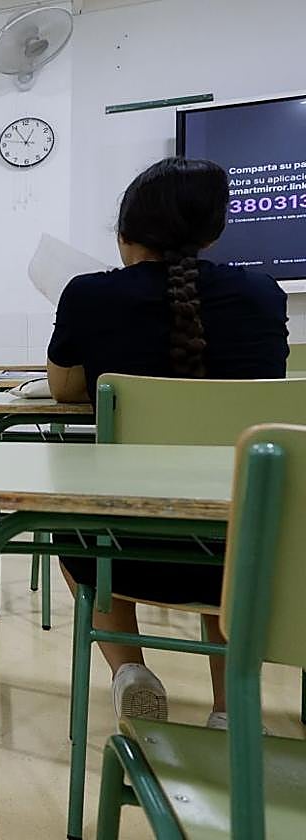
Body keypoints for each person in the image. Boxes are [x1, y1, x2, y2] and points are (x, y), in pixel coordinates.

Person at [46, 157, 288, 729]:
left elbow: (61, 390)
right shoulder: (261, 294)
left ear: (127, 235)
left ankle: (130, 671)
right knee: (223, 526)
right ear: (214, 231)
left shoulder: (89, 293)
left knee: (72, 519)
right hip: (247, 546)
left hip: (121, 548)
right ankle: (230, 705)